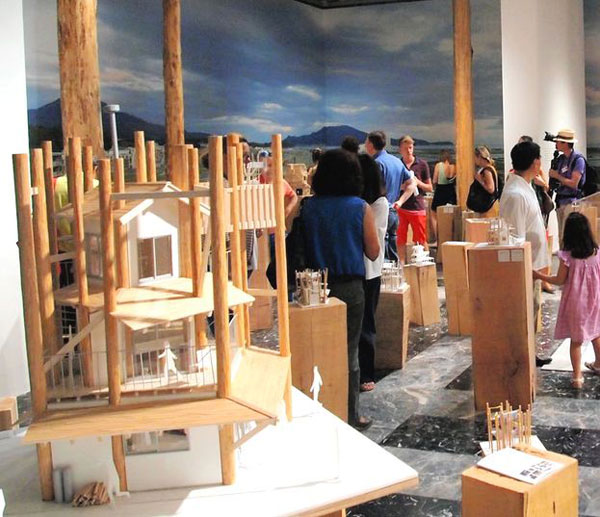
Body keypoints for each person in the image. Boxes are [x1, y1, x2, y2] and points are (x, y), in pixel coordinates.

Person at [301, 149, 380, 430]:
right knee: (349, 351)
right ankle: (349, 413)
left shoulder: (308, 207)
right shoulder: (359, 207)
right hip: (349, 286)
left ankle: (314, 408)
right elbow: (373, 251)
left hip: (311, 288)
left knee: (314, 349)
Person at [499, 141, 552, 367]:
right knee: (525, 311)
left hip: (533, 265)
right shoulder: (516, 194)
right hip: (526, 267)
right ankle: (522, 356)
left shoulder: (524, 187)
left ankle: (528, 352)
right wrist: (525, 269)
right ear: (535, 162)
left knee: (533, 310)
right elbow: (514, 239)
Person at [533, 212, 600, 388]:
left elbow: (559, 280)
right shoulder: (597, 253)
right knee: (595, 333)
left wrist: (538, 275)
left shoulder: (567, 256)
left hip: (575, 302)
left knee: (576, 340)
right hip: (595, 301)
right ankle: (599, 364)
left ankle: (577, 377)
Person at [357, 154, 388, 393]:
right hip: (358, 269)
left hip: (369, 270)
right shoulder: (359, 203)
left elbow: (372, 242)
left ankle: (367, 372)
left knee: (366, 323)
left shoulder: (378, 204)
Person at [365, 130, 416, 262]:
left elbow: (371, 191)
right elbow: (411, 183)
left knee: (382, 252)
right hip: (393, 210)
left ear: (370, 144)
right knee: (392, 250)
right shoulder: (396, 161)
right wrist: (400, 201)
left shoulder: (376, 164)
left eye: (366, 142)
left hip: (379, 212)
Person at [519, 135, 554, 294]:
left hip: (539, 206)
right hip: (526, 207)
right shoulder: (516, 174)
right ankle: (535, 277)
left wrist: (541, 182)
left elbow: (547, 187)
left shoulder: (537, 170)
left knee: (542, 241)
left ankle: (544, 279)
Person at [397, 135, 433, 263]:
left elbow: (429, 187)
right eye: (405, 148)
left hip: (417, 207)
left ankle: (426, 264)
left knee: (421, 239)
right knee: (400, 239)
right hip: (401, 207)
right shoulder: (398, 165)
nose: (409, 151)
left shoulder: (422, 164)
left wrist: (418, 182)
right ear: (400, 149)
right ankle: (401, 265)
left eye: (410, 147)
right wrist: (402, 186)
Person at [548, 128, 586, 246]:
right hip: (561, 201)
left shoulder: (578, 160)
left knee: (571, 235)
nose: (555, 144)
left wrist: (557, 176)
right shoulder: (561, 159)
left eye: (558, 141)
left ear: (565, 143)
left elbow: (574, 183)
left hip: (572, 202)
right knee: (562, 235)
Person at [430, 149, 456, 242]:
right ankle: (450, 236)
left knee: (434, 213)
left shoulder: (439, 165)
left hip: (440, 191)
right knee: (450, 215)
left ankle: (438, 238)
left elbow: (434, 180)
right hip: (451, 192)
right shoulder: (454, 166)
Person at [470, 145, 499, 217]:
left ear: (479, 157)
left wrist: (480, 180)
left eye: (475, 157)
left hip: (488, 208)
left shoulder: (487, 171)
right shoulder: (490, 168)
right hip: (490, 206)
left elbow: (490, 188)